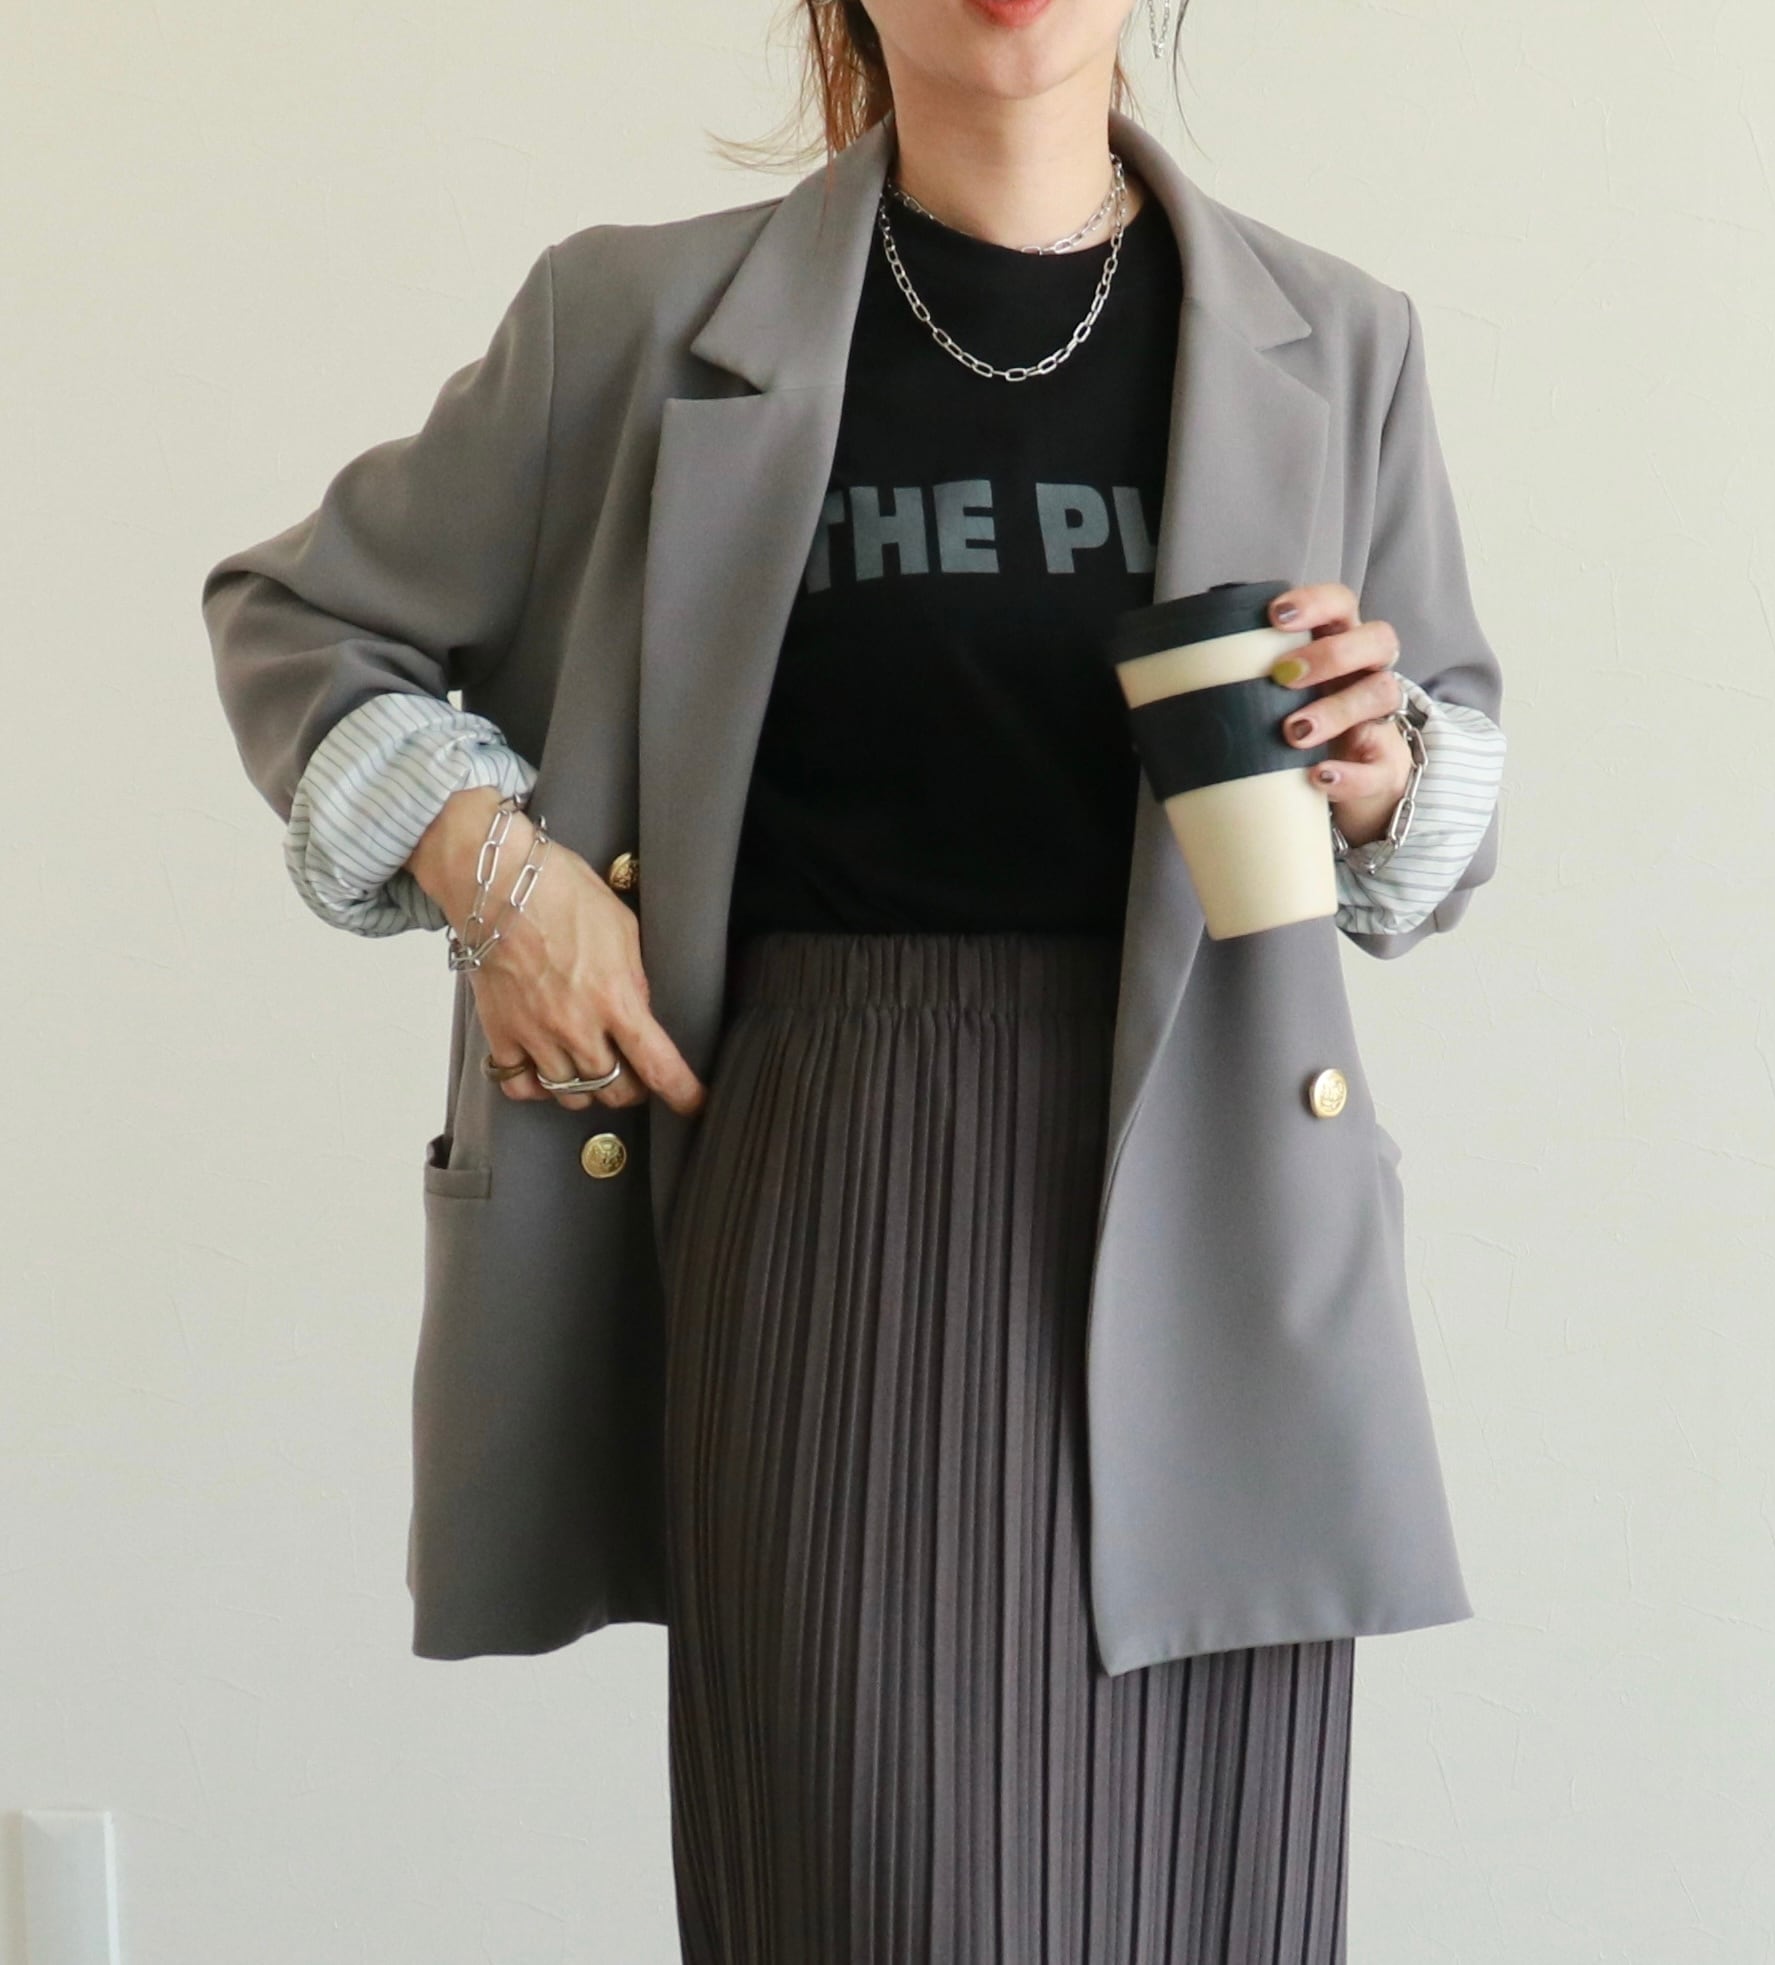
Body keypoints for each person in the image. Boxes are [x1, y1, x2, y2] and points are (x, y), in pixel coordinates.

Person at [205, 1, 1506, 1956]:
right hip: (839, 1193)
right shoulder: (632, 322)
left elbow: (1437, 816)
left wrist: (1381, 765)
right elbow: (300, 621)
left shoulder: (1333, 341)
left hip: (1224, 1236)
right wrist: (503, 880)